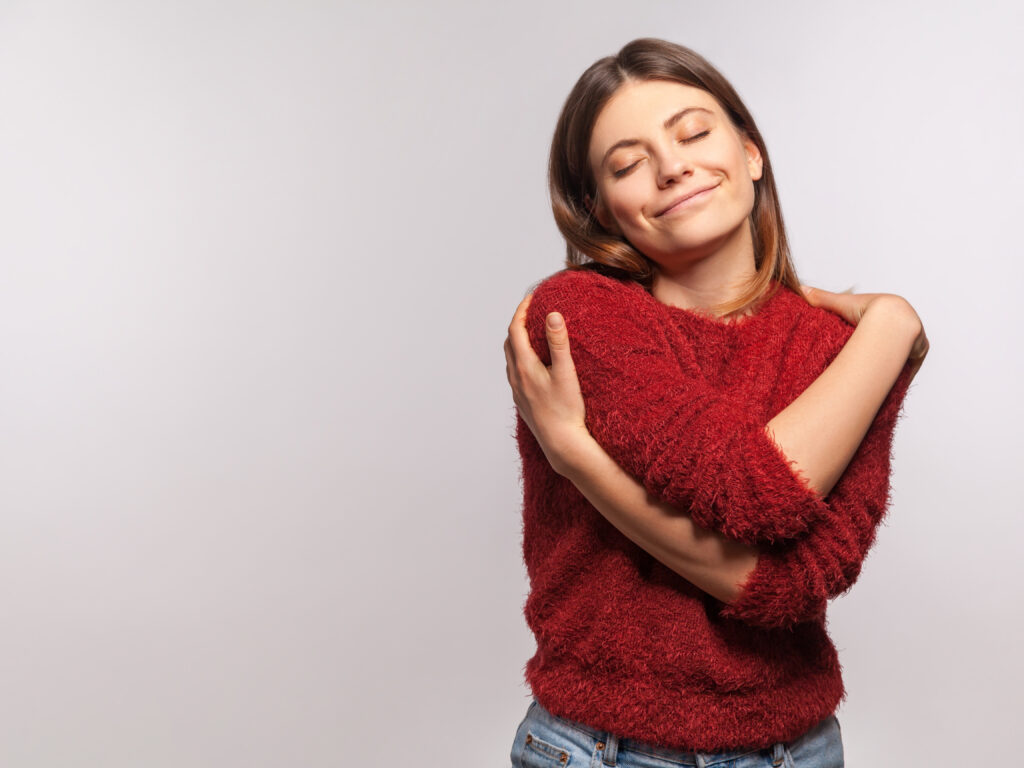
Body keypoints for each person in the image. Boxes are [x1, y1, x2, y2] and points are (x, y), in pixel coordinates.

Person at [502, 38, 928, 768]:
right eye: (627, 164)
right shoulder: (576, 316)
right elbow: (757, 491)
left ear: (752, 153)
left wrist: (578, 459)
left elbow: (807, 582)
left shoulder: (841, 347)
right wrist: (894, 325)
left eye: (694, 132)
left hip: (795, 750)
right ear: (599, 208)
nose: (672, 167)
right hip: (602, 749)